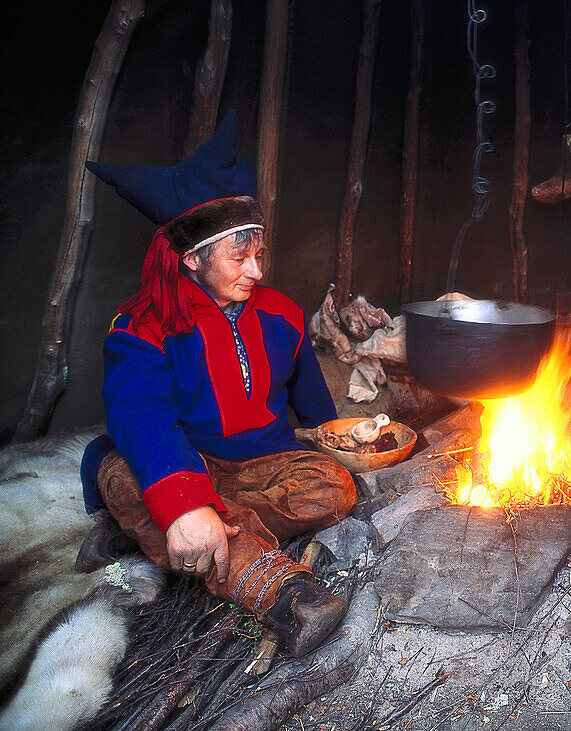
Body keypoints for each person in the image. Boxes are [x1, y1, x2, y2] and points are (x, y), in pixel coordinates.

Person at [78, 112, 357, 657]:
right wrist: (185, 502)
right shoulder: (142, 326)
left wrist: (342, 437)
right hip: (184, 461)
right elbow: (141, 414)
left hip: (260, 465)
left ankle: (165, 532)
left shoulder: (281, 314)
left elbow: (317, 412)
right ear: (191, 258)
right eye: (239, 256)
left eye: (260, 254)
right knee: (130, 478)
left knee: (333, 486)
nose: (256, 270)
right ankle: (282, 593)